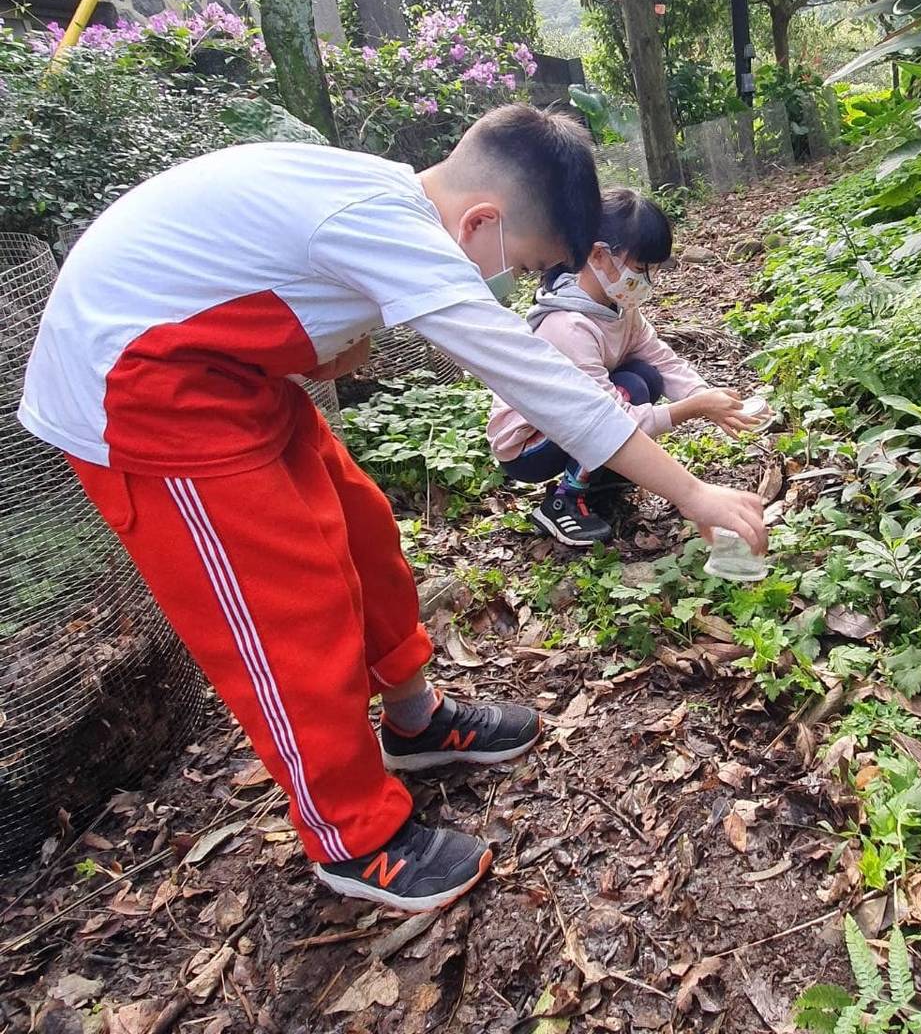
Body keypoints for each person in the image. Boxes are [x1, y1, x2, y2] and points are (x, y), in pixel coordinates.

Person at [19, 105, 765, 914]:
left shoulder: (388, 199)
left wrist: (337, 340)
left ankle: (415, 721)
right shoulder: (396, 229)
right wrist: (694, 493)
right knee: (286, 609)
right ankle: (353, 836)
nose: (507, 283)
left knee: (364, 532)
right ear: (482, 222)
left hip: (231, 374)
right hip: (140, 393)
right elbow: (549, 391)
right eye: (518, 262)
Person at [488, 188, 759, 545]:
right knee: (628, 390)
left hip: (573, 420)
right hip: (528, 444)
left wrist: (704, 394)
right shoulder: (568, 326)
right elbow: (606, 419)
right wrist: (693, 408)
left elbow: (658, 356)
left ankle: (600, 478)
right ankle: (563, 501)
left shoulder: (619, 308)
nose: (647, 281)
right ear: (599, 255)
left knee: (644, 376)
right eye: (641, 269)